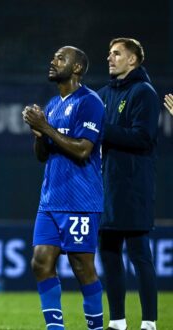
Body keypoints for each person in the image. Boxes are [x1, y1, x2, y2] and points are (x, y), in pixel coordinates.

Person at [22, 46, 105, 330]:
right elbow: (42, 155)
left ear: (77, 68)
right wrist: (37, 134)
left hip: (80, 199)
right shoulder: (54, 104)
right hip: (50, 199)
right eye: (53, 56)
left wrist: (45, 128)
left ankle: (95, 326)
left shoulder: (89, 102)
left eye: (60, 58)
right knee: (40, 262)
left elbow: (83, 150)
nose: (53, 61)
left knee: (82, 268)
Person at [97, 38, 160, 330]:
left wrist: (102, 130)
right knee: (109, 255)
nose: (110, 58)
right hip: (106, 187)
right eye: (110, 53)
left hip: (133, 185)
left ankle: (149, 323)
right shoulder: (102, 95)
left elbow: (142, 138)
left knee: (139, 255)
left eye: (117, 53)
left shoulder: (143, 92)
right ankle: (118, 322)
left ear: (132, 60)